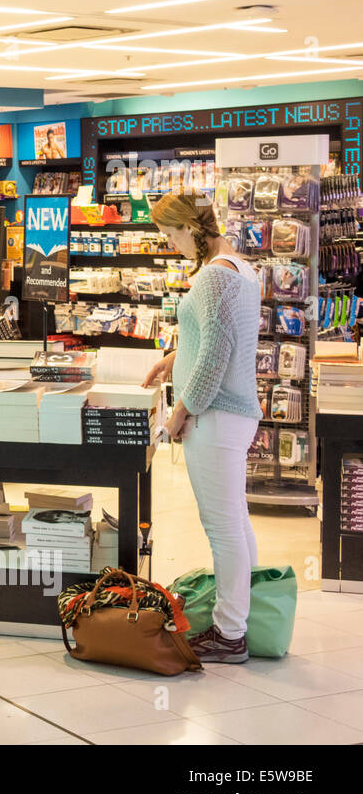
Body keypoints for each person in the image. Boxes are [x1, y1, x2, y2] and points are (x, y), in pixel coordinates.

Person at [142, 190, 262, 663]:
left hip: (216, 417)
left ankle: (230, 633)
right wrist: (174, 358)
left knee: (222, 525)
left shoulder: (214, 277)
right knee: (235, 519)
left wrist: (180, 411)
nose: (171, 246)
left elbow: (215, 356)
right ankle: (242, 616)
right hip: (234, 416)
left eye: (170, 235)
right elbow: (216, 339)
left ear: (190, 228)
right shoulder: (239, 268)